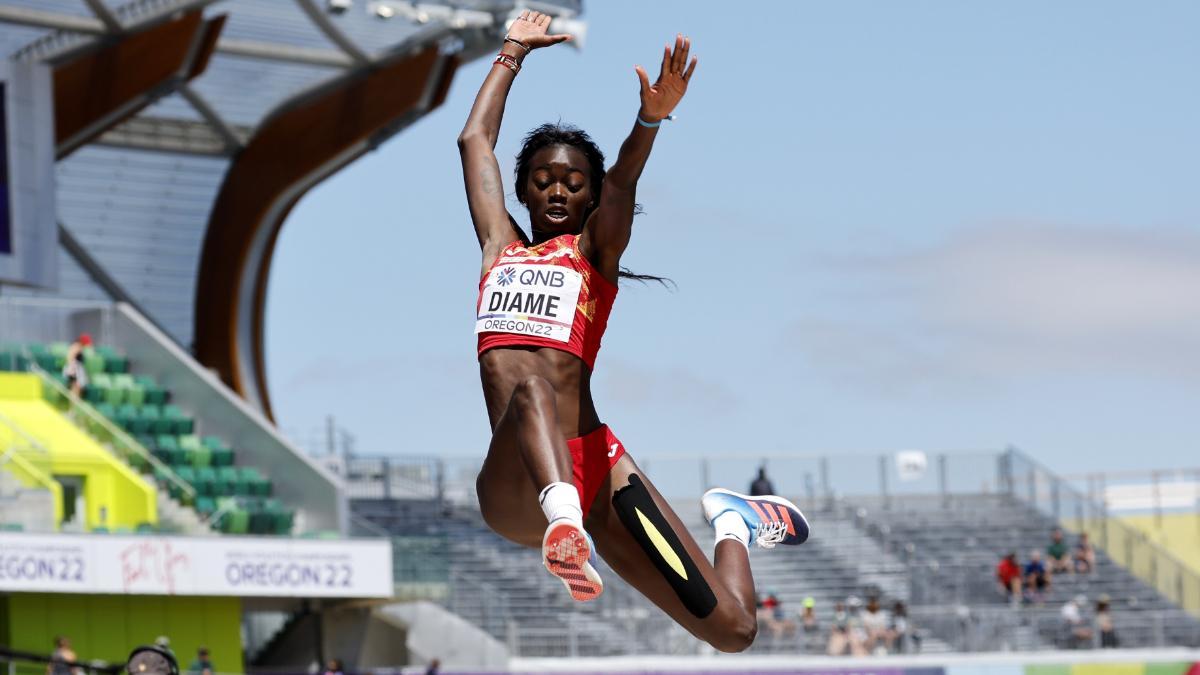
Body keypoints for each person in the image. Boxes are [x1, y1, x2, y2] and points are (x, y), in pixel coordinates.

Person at [457, 10, 808, 653]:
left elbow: (623, 179)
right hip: (519, 483)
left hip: (598, 465)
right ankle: (565, 527)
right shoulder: (497, 249)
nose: (558, 189)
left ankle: (733, 522)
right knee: (531, 394)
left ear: (590, 199)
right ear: (524, 193)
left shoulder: (594, 257)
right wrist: (512, 51)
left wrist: (650, 120)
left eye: (573, 182)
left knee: (734, 630)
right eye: (543, 180)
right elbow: (474, 141)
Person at [62, 334, 91, 398]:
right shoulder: (76, 347)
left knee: (78, 388)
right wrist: (73, 371)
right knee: (75, 387)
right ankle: (73, 405)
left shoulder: (80, 348)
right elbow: (70, 358)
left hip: (77, 369)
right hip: (74, 369)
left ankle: (75, 404)